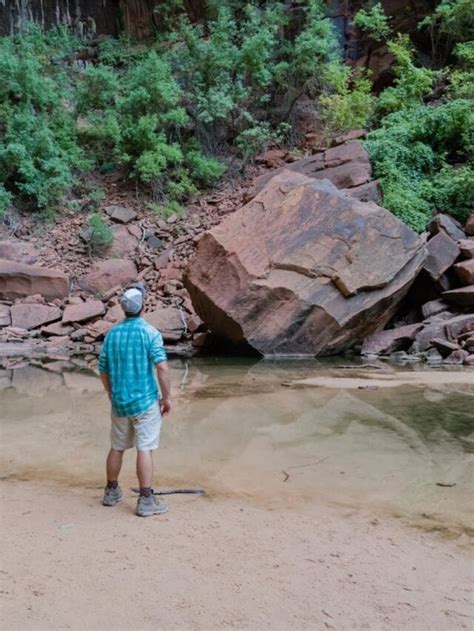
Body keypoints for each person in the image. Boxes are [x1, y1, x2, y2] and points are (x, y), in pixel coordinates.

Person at [98, 283, 171, 517]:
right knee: (145, 448)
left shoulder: (112, 334)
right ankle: (146, 500)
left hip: (119, 402)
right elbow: (162, 367)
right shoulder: (150, 332)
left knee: (117, 447)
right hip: (146, 401)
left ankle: (111, 492)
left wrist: (110, 392)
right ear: (143, 307)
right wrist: (167, 397)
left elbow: (103, 369)